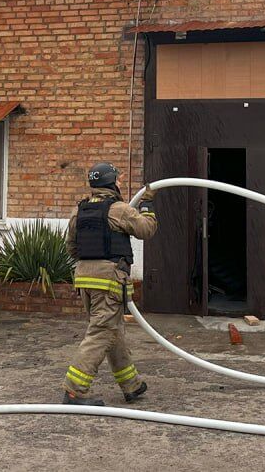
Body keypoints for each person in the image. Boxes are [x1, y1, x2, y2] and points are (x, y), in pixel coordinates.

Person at [61, 162, 158, 406]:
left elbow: (71, 247)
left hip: (84, 279)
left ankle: (131, 385)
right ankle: (74, 391)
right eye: (118, 180)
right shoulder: (119, 210)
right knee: (102, 332)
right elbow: (147, 230)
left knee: (112, 331)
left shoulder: (79, 211)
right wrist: (147, 205)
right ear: (110, 182)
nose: (120, 183)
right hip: (108, 280)